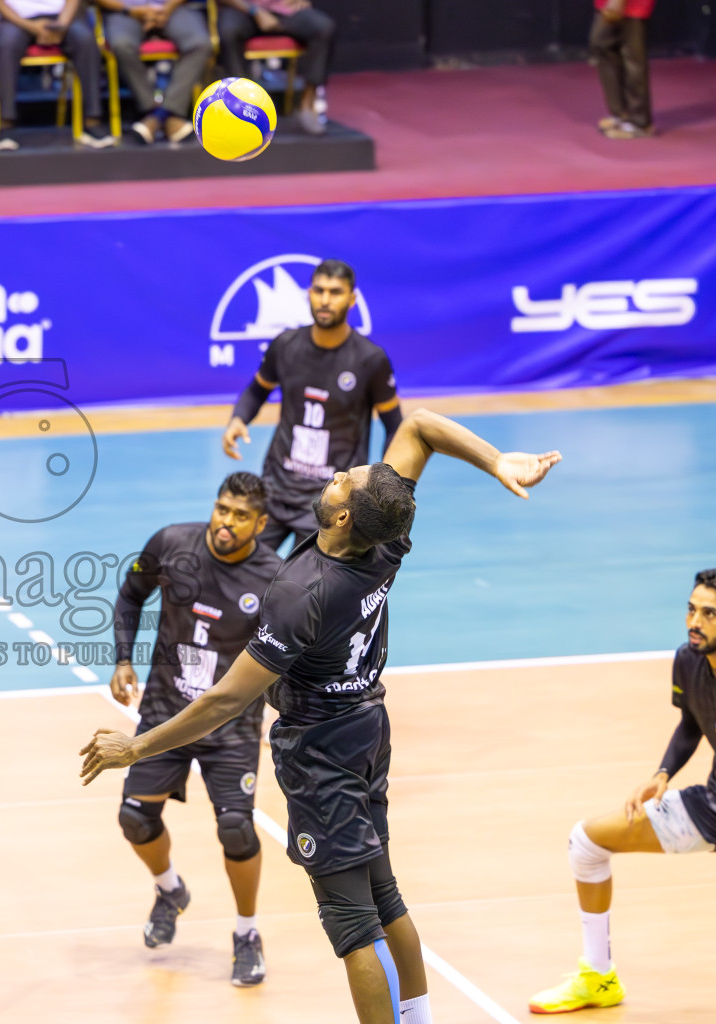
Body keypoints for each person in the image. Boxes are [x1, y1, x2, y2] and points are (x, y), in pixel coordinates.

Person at [82, 407, 562, 1024]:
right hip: (368, 727)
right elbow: (417, 427)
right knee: (385, 896)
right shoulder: (384, 535)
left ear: (339, 517)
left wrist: (135, 747)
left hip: (322, 754)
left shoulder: (301, 591)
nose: (338, 471)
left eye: (345, 479)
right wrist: (497, 460)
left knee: (353, 925)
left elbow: (228, 699)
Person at [530, 570, 716, 1020]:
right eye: (690, 609)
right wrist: (663, 772)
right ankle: (599, 977)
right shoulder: (688, 660)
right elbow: (690, 723)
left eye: (708, 613)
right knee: (585, 842)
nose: (693, 621)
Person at [110, 472, 282, 986]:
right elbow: (129, 596)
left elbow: (289, 654)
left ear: (261, 523)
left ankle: (247, 934)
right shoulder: (170, 544)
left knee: (236, 828)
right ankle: (169, 890)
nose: (226, 522)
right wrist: (123, 660)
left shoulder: (274, 578)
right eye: (222, 509)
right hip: (165, 710)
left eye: (240, 515)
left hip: (231, 723)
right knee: (135, 820)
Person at [222, 258, 401, 554]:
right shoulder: (286, 345)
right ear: (309, 294)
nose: (325, 300)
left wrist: (382, 486)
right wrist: (238, 419)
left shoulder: (370, 360)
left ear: (352, 299)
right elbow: (256, 391)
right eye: (319, 291)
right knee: (239, 568)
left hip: (331, 500)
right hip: (276, 488)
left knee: (298, 588)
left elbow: (394, 427)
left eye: (335, 292)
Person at [0, 0, 113, 150]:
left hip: (63, 16)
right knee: (7, 44)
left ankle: (93, 120)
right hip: (14, 19)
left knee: (85, 40)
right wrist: (32, 27)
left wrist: (62, 24)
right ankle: (6, 125)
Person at [95, 0, 212, 144]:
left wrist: (167, 8)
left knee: (200, 44)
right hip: (125, 10)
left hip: (175, 7)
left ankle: (158, 117)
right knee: (121, 44)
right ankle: (155, 111)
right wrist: (130, 10)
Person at [214, 0, 332, 134]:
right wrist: (255, 11)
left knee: (324, 28)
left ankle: (307, 104)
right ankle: (241, 106)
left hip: (285, 11)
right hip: (243, 10)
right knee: (228, 31)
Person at [591, 0, 653, 139]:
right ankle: (621, 113)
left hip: (630, 5)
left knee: (632, 58)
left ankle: (639, 123)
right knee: (603, 44)